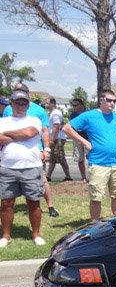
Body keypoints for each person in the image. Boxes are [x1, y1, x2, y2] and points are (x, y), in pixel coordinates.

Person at [63, 89, 116, 221]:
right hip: (98, 163)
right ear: (101, 100)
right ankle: (94, 225)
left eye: (114, 101)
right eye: (109, 100)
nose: (112, 103)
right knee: (96, 197)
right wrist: (84, 142)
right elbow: (67, 128)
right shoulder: (89, 116)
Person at [3, 83, 59, 217]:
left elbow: (43, 131)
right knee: (7, 198)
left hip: (35, 151)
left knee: (42, 180)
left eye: (22, 92)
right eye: (17, 91)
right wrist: (19, 135)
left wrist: (46, 149)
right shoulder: (8, 109)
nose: (20, 105)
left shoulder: (38, 110)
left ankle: (50, 206)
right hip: (9, 157)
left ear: (28, 94)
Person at [0, 88, 47, 246]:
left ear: (28, 105)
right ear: (11, 104)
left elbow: (29, 133)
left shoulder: (34, 120)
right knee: (6, 203)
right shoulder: (3, 121)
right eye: (17, 102)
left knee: (33, 202)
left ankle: (36, 235)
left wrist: (6, 136)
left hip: (31, 167)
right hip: (7, 167)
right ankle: (6, 236)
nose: (20, 106)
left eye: (23, 103)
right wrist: (17, 136)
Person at [45, 97, 72, 181]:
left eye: (47, 103)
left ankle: (68, 177)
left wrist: (52, 139)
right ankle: (48, 176)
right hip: (54, 138)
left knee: (61, 157)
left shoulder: (56, 113)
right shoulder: (52, 113)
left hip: (58, 138)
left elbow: (56, 127)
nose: (46, 105)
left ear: (53, 103)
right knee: (52, 158)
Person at [69, 98, 88, 182]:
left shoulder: (86, 114)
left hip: (87, 139)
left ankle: (93, 177)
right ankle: (83, 177)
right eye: (73, 105)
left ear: (81, 105)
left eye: (75, 105)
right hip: (77, 138)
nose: (74, 107)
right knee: (80, 159)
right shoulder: (73, 115)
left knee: (90, 157)